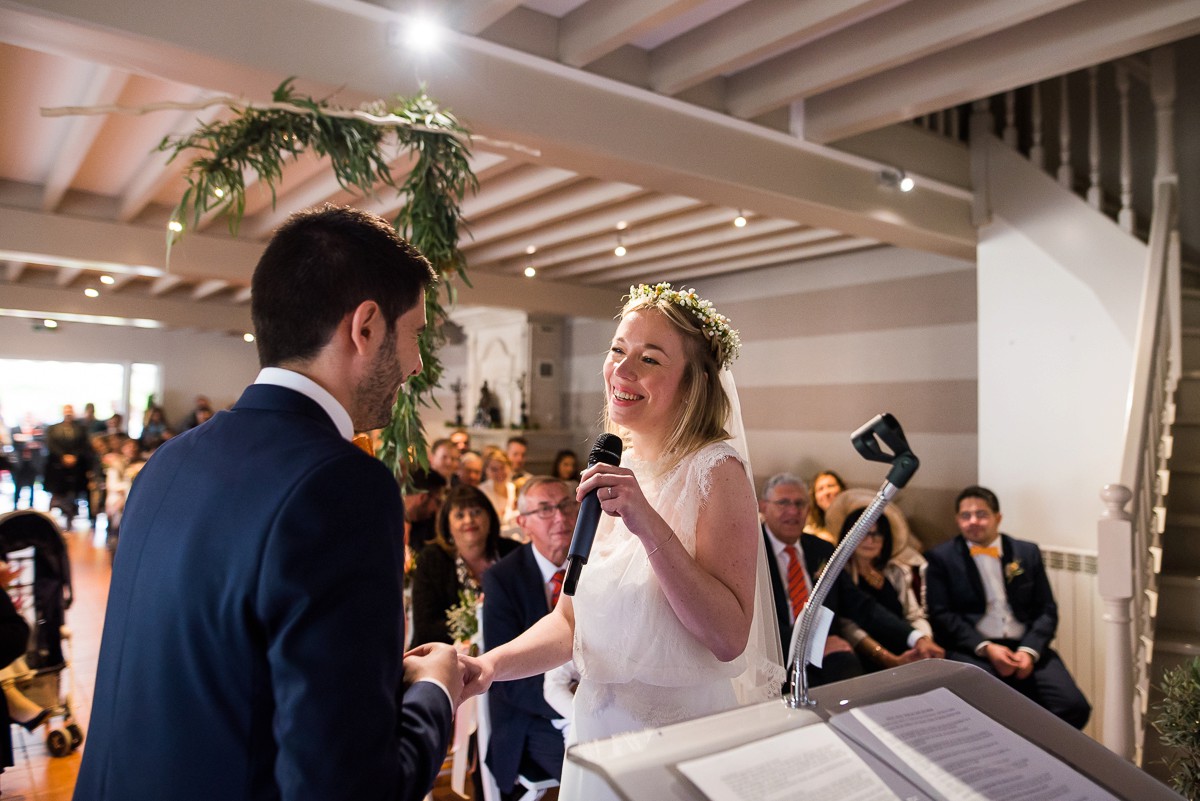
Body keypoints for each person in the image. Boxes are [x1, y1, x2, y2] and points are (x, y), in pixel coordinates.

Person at [74, 205, 464, 801]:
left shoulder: (170, 462)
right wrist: (434, 693)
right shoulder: (341, 486)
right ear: (366, 327)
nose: (415, 364)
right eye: (414, 333)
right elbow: (349, 786)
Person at [463, 282, 785, 801]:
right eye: (617, 350)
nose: (623, 370)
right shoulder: (617, 467)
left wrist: (647, 522)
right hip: (598, 736)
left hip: (679, 745)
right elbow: (569, 621)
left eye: (650, 358)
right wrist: (488, 667)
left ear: (693, 381)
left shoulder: (716, 472)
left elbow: (728, 638)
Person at [925, 485, 1091, 729]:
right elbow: (941, 615)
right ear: (957, 520)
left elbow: (1046, 609)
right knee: (996, 710)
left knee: (1074, 706)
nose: (973, 521)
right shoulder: (941, 558)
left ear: (997, 518)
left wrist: (1029, 651)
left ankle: (1041, 756)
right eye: (965, 515)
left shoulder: (1026, 552)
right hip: (974, 648)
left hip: (1025, 645)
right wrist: (985, 648)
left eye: (981, 514)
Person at [759, 473, 942, 685]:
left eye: (800, 503)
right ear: (763, 506)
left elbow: (861, 605)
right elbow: (757, 623)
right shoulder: (752, 552)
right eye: (783, 503)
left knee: (858, 681)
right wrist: (811, 644)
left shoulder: (822, 549)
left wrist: (916, 637)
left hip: (830, 656)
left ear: (808, 509)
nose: (793, 511)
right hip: (775, 654)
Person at [481, 477, 578, 799]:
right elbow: (504, 678)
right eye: (546, 510)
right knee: (591, 767)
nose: (561, 518)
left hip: (592, 695)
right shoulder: (502, 579)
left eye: (566, 505)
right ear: (523, 524)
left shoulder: (594, 563)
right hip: (529, 716)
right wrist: (570, 703)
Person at [826, 488, 935, 671]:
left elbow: (913, 615)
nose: (870, 540)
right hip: (863, 654)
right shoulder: (839, 574)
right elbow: (848, 626)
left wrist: (923, 642)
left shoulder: (896, 572)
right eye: (864, 533)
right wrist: (885, 657)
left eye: (877, 534)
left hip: (906, 644)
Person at [410, 484, 516, 647]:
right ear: (448, 526)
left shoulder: (513, 552)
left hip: (509, 649)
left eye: (476, 512)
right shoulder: (431, 560)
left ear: (490, 517)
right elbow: (426, 627)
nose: (469, 520)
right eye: (460, 515)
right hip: (446, 654)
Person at [43, 405, 91, 523]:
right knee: (57, 494)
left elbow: (84, 445)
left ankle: (71, 516)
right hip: (57, 467)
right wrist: (63, 456)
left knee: (72, 495)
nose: (68, 413)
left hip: (75, 467)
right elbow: (51, 444)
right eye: (66, 411)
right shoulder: (53, 429)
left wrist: (74, 457)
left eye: (70, 411)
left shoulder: (80, 429)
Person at [404, 467, 447, 553]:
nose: (437, 509)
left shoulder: (431, 525)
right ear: (423, 497)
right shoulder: (387, 520)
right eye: (437, 502)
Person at [805, 469, 845, 544]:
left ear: (842, 489)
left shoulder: (857, 521)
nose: (826, 492)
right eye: (820, 489)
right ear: (815, 498)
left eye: (831, 486)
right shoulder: (809, 531)